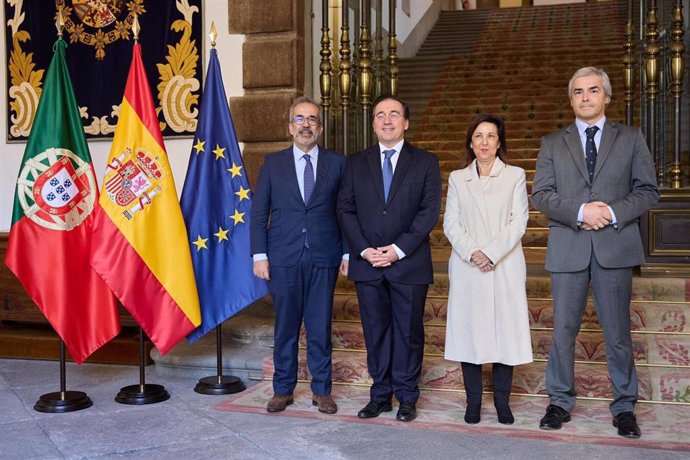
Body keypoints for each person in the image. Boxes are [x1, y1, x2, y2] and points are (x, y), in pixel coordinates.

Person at [531, 67, 659, 438]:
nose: (585, 97)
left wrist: (611, 212)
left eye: (592, 90)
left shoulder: (631, 138)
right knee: (562, 331)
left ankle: (624, 406)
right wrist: (580, 212)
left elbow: (648, 190)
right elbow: (542, 194)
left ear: (606, 95)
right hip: (569, 246)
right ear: (570, 99)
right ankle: (559, 401)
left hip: (614, 247)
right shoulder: (552, 142)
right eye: (578, 92)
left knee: (617, 332)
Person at [337, 94, 442, 422]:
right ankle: (380, 394)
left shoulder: (425, 162)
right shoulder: (354, 162)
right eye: (380, 115)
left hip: (408, 264)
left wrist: (397, 250)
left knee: (409, 332)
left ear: (405, 122)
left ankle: (408, 397)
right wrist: (364, 250)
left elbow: (428, 212)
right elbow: (345, 208)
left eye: (394, 114)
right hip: (367, 264)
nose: (386, 120)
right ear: (373, 124)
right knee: (376, 331)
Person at [250, 96, 348, 415]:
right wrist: (259, 256)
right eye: (300, 119)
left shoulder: (338, 163)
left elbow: (345, 212)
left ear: (320, 127)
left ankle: (322, 391)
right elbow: (259, 212)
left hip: (324, 255)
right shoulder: (272, 163)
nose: (306, 125)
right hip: (283, 257)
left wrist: (346, 252)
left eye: (312, 120)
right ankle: (282, 390)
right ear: (290, 126)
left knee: (320, 327)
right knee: (286, 327)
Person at [443, 114, 533, 425]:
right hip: (468, 267)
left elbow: (518, 221)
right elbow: (450, 223)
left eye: (490, 136)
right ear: (470, 142)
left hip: (504, 265)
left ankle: (502, 404)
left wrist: (491, 253)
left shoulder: (515, 176)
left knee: (504, 336)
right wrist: (473, 253)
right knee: (470, 335)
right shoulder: (458, 178)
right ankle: (473, 404)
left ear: (499, 143)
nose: (484, 142)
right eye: (478, 136)